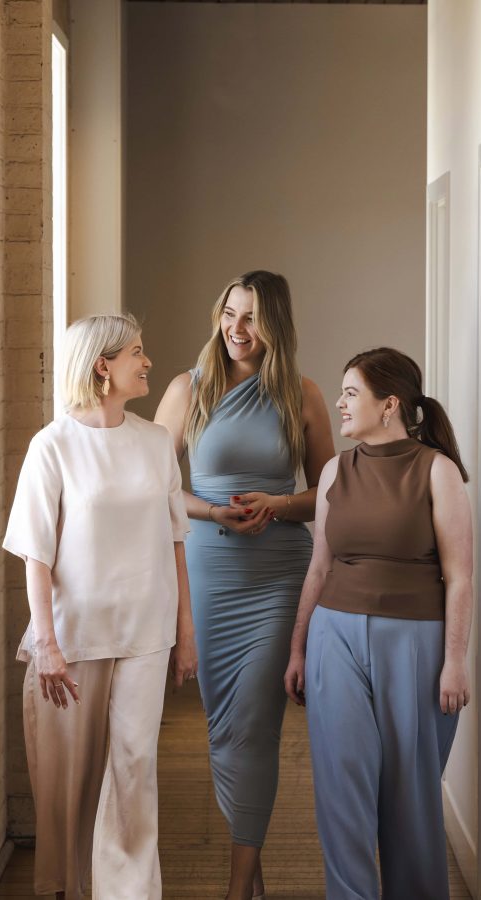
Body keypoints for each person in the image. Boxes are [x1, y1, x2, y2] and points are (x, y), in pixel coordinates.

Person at [3, 314, 197, 900]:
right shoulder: (52, 446)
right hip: (75, 637)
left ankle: (131, 892)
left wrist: (186, 630)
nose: (148, 362)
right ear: (101, 366)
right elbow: (35, 555)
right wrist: (47, 644)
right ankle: (65, 887)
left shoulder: (155, 441)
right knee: (69, 779)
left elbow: (176, 540)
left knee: (134, 770)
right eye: (136, 353)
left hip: (146, 631)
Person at [155, 271, 334, 900]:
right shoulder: (187, 389)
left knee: (256, 721)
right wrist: (211, 511)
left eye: (252, 318)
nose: (237, 328)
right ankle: (252, 881)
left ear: (275, 324)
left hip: (279, 575)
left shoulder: (303, 395)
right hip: (209, 571)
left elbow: (326, 495)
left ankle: (235, 888)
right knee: (225, 727)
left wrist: (279, 505)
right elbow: (152, 485)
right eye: (230, 313)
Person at [284, 347, 473, 900]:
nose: (339, 403)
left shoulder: (437, 471)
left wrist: (455, 662)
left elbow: (460, 577)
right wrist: (298, 649)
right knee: (341, 794)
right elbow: (319, 566)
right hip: (332, 639)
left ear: (389, 404)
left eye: (351, 393)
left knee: (410, 800)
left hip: (415, 644)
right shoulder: (332, 472)